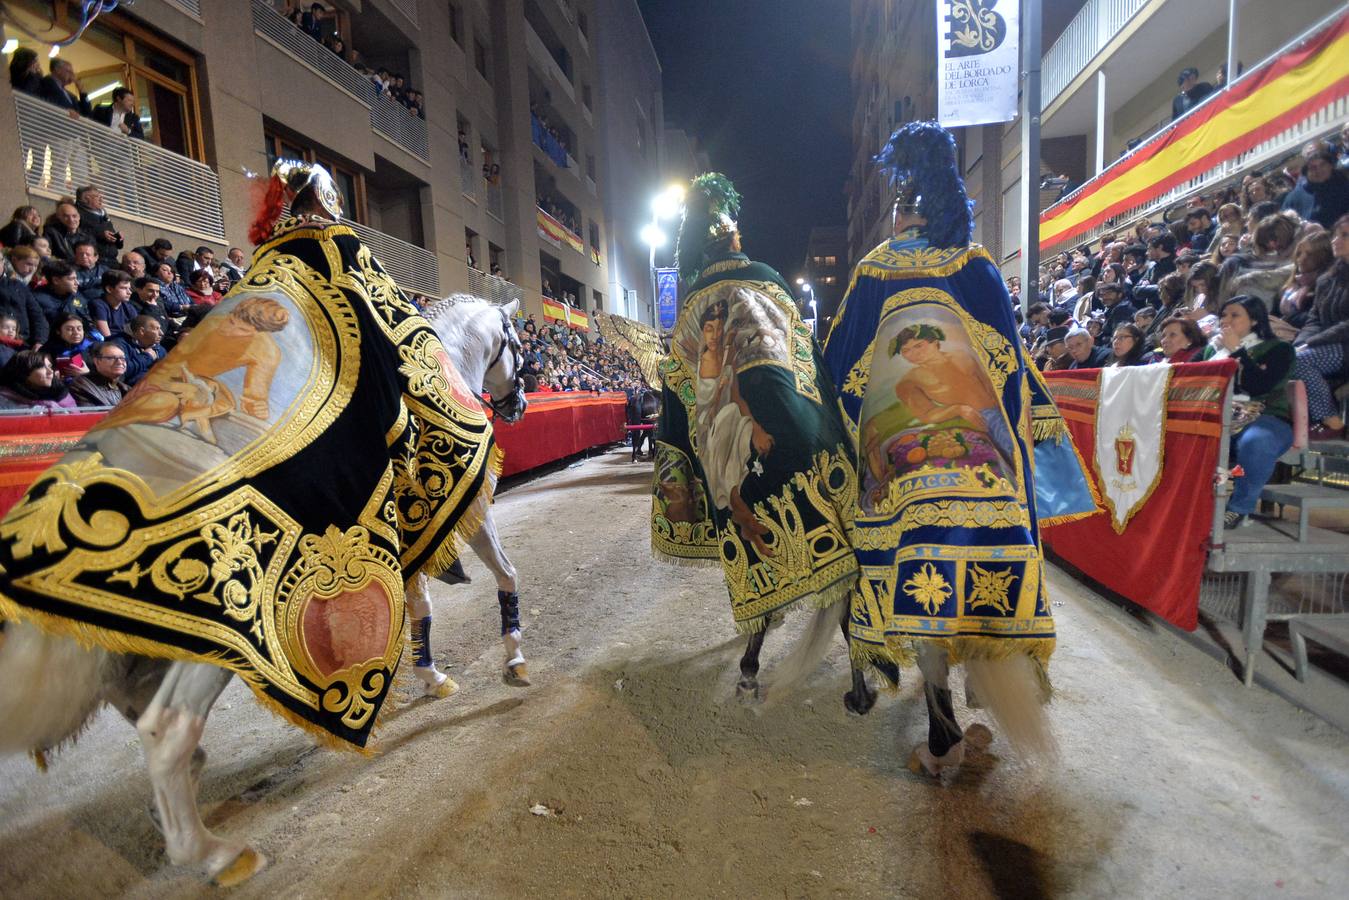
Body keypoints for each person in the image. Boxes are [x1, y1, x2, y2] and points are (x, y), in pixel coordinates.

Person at [823, 122, 1095, 777]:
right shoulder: (975, 266)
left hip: (905, 465)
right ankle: (982, 692)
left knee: (887, 564)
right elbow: (1008, 362)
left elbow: (836, 365)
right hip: (979, 455)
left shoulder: (871, 271)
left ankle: (940, 730)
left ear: (900, 210)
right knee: (990, 556)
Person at [650, 172, 864, 695]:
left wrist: (681, 472)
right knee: (832, 543)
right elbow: (806, 363)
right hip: (791, 432)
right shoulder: (768, 278)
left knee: (748, 543)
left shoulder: (692, 304)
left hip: (722, 449)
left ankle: (751, 663)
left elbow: (678, 391)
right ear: (736, 236)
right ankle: (859, 670)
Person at [1201, 296, 1294, 528]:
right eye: (1223, 315)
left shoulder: (1280, 349)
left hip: (1264, 417)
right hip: (1215, 418)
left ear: (1254, 320)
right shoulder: (1209, 351)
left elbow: (1259, 386)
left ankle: (1239, 508)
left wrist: (1237, 351)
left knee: (1257, 442)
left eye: (1235, 315)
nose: (1226, 320)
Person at [1292, 213, 1349, 439]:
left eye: (1345, 235)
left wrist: (1312, 343)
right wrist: (1299, 343)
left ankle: (1332, 421)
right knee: (1288, 357)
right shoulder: (1328, 278)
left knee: (1298, 361)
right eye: (1336, 235)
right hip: (1328, 345)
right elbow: (1314, 318)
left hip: (1343, 347)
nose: (1336, 240)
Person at [1281, 141, 1349, 230]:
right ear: (1306, 171)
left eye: (1322, 164)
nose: (1319, 170)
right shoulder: (1293, 198)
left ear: (1330, 165)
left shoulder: (1344, 184)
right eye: (1313, 167)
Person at [0, 246, 48, 346]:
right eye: (29, 264)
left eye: (0, 261)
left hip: (24, 342)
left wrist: (39, 341)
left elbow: (38, 316)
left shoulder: (18, 285)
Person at [0, 349, 76, 410]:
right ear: (24, 372)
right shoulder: (5, 398)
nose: (50, 371)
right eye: (42, 367)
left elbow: (77, 420)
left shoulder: (60, 391)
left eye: (50, 366)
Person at [32, 259, 92, 334]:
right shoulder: (38, 299)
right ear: (56, 280)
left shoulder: (76, 294)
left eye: (76, 278)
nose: (77, 283)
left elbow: (87, 319)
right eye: (71, 279)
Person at [106, 314, 166, 386]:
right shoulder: (118, 345)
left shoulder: (152, 343)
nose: (161, 333)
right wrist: (147, 357)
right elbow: (122, 370)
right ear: (142, 331)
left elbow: (165, 359)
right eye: (156, 329)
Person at [68, 341, 130, 408]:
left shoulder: (127, 390)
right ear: (97, 362)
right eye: (111, 358)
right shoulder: (82, 385)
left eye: (122, 358)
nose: (120, 362)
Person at [75, 186, 124, 266]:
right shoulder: (77, 214)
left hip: (112, 260)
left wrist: (119, 238)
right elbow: (76, 233)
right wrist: (100, 234)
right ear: (87, 199)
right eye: (98, 197)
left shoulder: (103, 214)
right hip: (94, 262)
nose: (101, 200)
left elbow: (118, 245)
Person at [90, 270, 138, 338]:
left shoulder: (129, 307)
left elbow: (139, 332)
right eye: (124, 288)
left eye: (129, 288)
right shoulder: (98, 305)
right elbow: (107, 337)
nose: (129, 292)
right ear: (109, 289)